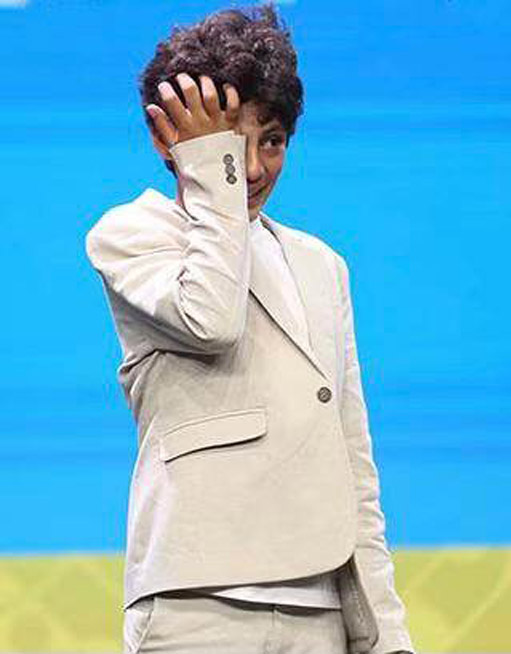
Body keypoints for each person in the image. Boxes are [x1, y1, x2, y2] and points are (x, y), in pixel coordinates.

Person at [85, 3, 415, 653]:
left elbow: (351, 455)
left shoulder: (321, 265)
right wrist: (211, 169)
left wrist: (387, 633)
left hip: (323, 605)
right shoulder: (131, 234)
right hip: (198, 603)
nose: (255, 168)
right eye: (230, 142)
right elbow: (210, 319)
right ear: (165, 138)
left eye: (272, 140)